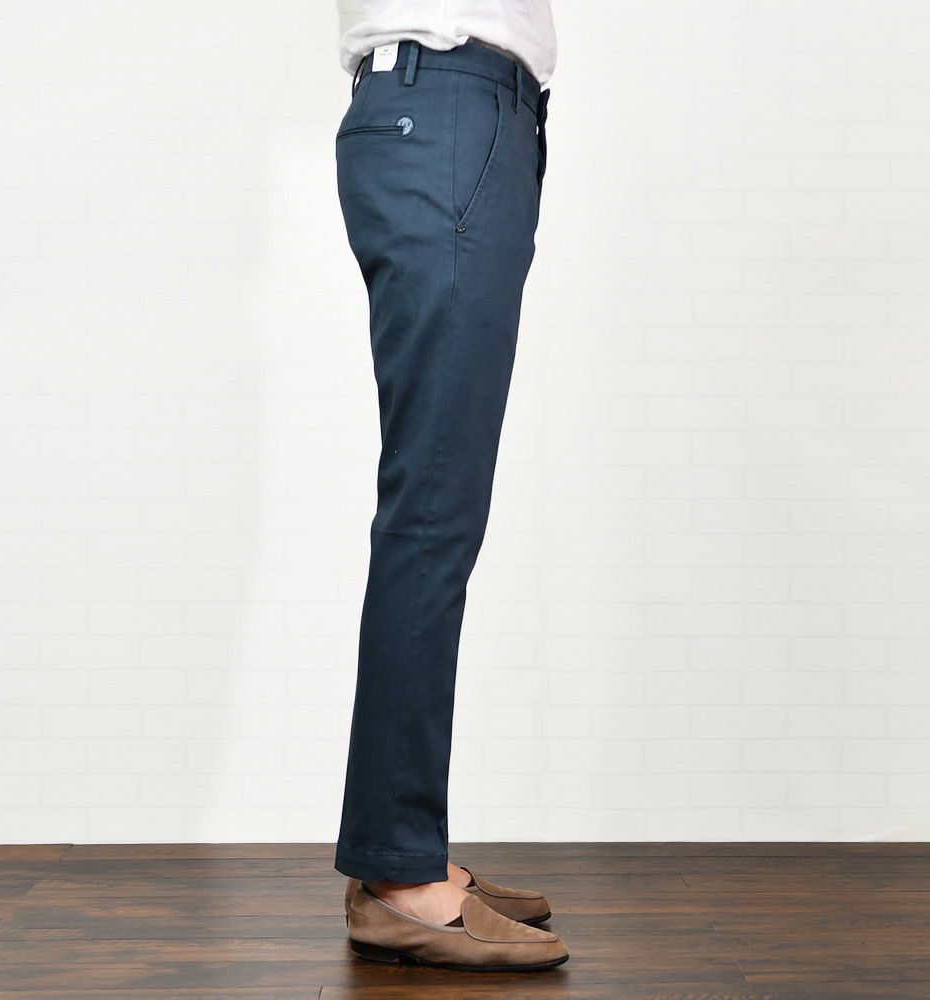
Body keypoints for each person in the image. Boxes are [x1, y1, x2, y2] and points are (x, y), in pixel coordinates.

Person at [332, 1, 566, 971]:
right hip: (449, 109)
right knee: (431, 512)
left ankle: (401, 848)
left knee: (435, 509)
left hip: (458, 116)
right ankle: (399, 874)